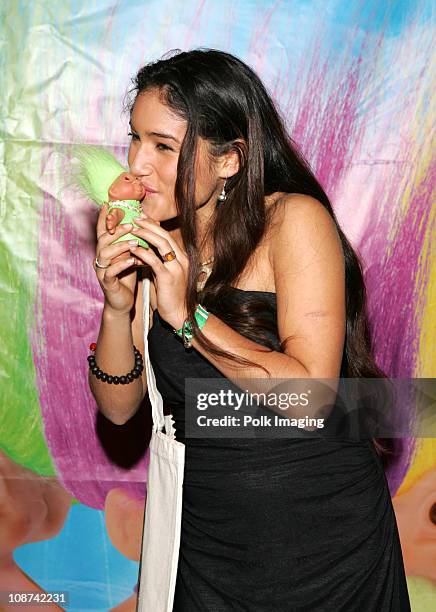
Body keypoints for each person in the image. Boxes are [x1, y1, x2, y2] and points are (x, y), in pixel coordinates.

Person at [88, 49, 411, 610]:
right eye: (135, 139)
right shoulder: (158, 239)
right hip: (207, 541)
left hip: (326, 546)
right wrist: (118, 306)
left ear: (230, 160)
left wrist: (188, 316)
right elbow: (118, 410)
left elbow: (311, 398)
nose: (137, 164)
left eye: (163, 146)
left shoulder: (293, 220)